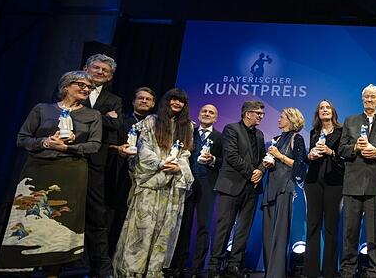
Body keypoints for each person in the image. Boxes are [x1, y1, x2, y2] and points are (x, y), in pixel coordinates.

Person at [0, 71, 102, 276]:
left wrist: (68, 148)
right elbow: (22, 138)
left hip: (71, 173)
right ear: (65, 87)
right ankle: (21, 268)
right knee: (29, 220)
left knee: (60, 223)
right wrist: (44, 142)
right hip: (38, 170)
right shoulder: (42, 109)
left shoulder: (92, 115)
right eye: (80, 84)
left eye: (89, 87)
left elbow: (94, 146)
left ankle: (53, 273)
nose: (85, 89)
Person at [113, 88, 195, 277]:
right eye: (173, 99)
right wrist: (159, 163)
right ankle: (132, 270)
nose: (177, 103)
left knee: (163, 229)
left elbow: (185, 153)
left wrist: (179, 168)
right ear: (166, 101)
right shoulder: (151, 121)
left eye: (181, 101)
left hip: (171, 185)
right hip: (151, 181)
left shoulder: (187, 126)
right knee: (142, 227)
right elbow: (143, 148)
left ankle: (153, 270)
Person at [338, 84, 376, 278]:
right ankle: (347, 271)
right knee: (350, 232)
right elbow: (341, 150)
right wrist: (354, 147)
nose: (369, 100)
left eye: (373, 97)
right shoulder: (350, 121)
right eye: (366, 97)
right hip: (352, 184)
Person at [208, 100, 267, 278]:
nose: (261, 116)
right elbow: (231, 156)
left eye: (262, 113)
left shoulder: (260, 134)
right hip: (232, 185)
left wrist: (261, 171)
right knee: (224, 226)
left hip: (251, 188)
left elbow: (263, 157)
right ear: (247, 113)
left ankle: (234, 264)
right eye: (258, 113)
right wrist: (252, 172)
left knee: (244, 229)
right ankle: (214, 265)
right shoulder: (231, 129)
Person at [82, 54, 123, 278]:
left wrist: (86, 114)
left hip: (97, 161)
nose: (99, 72)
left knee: (96, 213)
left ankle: (99, 267)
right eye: (96, 68)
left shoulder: (113, 99)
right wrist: (100, 116)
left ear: (110, 76)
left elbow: (116, 123)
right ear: (85, 68)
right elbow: (65, 112)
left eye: (104, 70)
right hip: (68, 158)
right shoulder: (70, 89)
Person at [172, 104, 224, 275]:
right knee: (182, 224)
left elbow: (225, 163)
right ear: (199, 114)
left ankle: (197, 267)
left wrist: (213, 160)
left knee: (204, 226)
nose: (207, 114)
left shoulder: (221, 137)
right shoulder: (188, 133)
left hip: (207, 185)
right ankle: (178, 265)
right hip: (185, 182)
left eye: (211, 112)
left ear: (216, 118)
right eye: (204, 111)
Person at [108, 86, 156, 257]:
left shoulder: (156, 125)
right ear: (133, 101)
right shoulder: (120, 120)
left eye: (148, 99)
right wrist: (117, 148)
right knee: (114, 216)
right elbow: (106, 145)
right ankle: (107, 257)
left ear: (153, 104)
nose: (144, 101)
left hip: (144, 178)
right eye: (141, 98)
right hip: (119, 175)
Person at [262, 107, 307, 278]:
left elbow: (300, 166)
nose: (279, 119)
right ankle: (269, 272)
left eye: (282, 117)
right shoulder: (276, 139)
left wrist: (279, 156)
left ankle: (277, 273)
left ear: (291, 119)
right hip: (271, 188)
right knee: (268, 234)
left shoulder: (297, 139)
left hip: (285, 188)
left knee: (280, 234)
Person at [304, 100, 345, 278]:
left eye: (327, 107)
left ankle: (329, 271)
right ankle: (311, 271)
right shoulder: (314, 132)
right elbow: (308, 158)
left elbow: (344, 158)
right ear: (318, 113)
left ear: (333, 112)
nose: (324, 110)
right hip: (313, 182)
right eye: (321, 108)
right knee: (312, 225)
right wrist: (310, 155)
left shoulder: (342, 132)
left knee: (331, 226)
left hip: (334, 182)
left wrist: (330, 151)